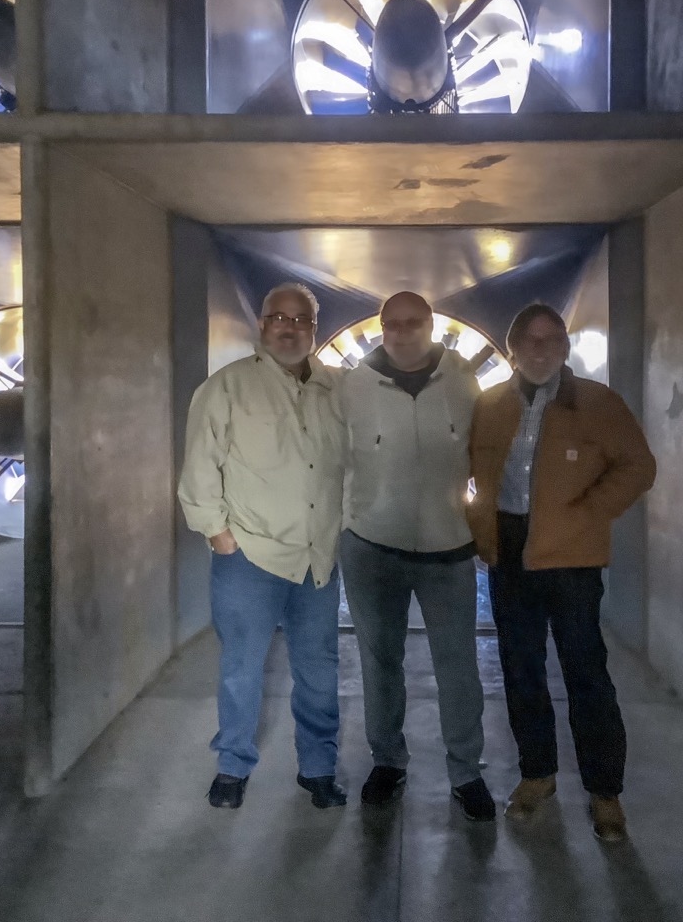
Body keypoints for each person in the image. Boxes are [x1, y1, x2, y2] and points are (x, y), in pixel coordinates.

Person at [467, 303, 656, 841]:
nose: (541, 349)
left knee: (586, 676)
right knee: (521, 672)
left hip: (572, 558)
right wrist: (478, 526)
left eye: (552, 339)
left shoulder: (598, 404)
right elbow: (474, 474)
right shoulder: (489, 405)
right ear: (512, 350)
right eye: (529, 340)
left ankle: (605, 793)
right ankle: (537, 775)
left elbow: (639, 467)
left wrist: (588, 512)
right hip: (509, 554)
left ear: (566, 348)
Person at [178, 282, 347, 811]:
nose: (290, 327)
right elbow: (200, 468)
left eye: (301, 319)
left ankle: (317, 767)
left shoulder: (337, 390)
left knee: (318, 668)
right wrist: (220, 538)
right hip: (249, 555)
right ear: (263, 325)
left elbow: (355, 464)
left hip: (317, 557)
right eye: (279, 317)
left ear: (314, 330)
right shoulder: (227, 388)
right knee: (242, 667)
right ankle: (233, 765)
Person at [338, 292, 495, 821]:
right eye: (392, 324)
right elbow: (330, 458)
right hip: (372, 549)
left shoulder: (463, 381)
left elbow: (484, 455)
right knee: (380, 664)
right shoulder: (352, 386)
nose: (402, 333)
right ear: (382, 328)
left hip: (449, 551)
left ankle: (466, 771)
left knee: (458, 667)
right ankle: (388, 762)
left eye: (413, 323)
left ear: (431, 326)